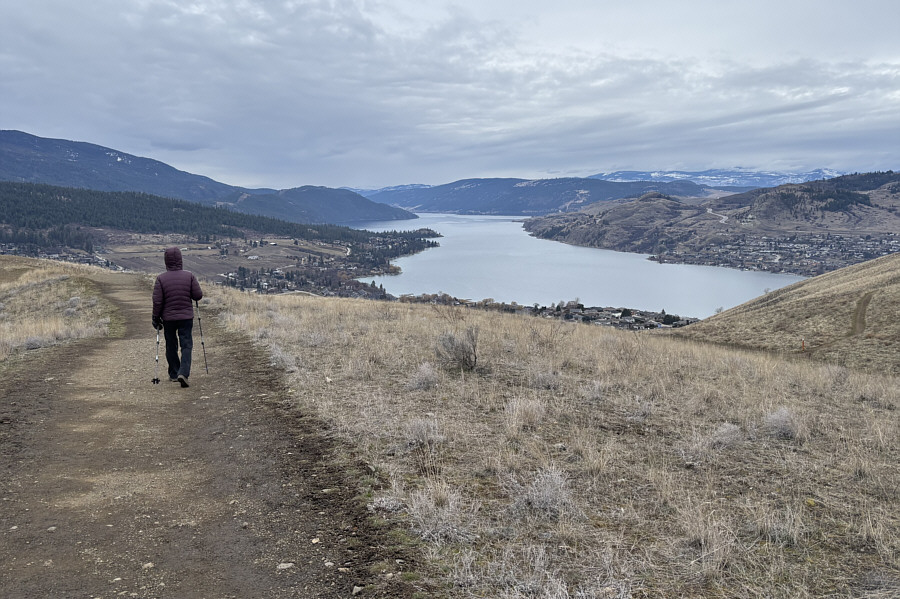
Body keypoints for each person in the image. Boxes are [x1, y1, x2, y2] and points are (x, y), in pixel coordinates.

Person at [152, 247, 203, 387]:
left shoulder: (161, 279)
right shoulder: (189, 275)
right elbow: (198, 295)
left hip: (168, 318)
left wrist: (155, 318)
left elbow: (157, 301)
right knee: (186, 345)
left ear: (166, 261)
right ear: (180, 259)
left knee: (171, 344)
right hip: (186, 317)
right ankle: (183, 373)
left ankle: (174, 373)